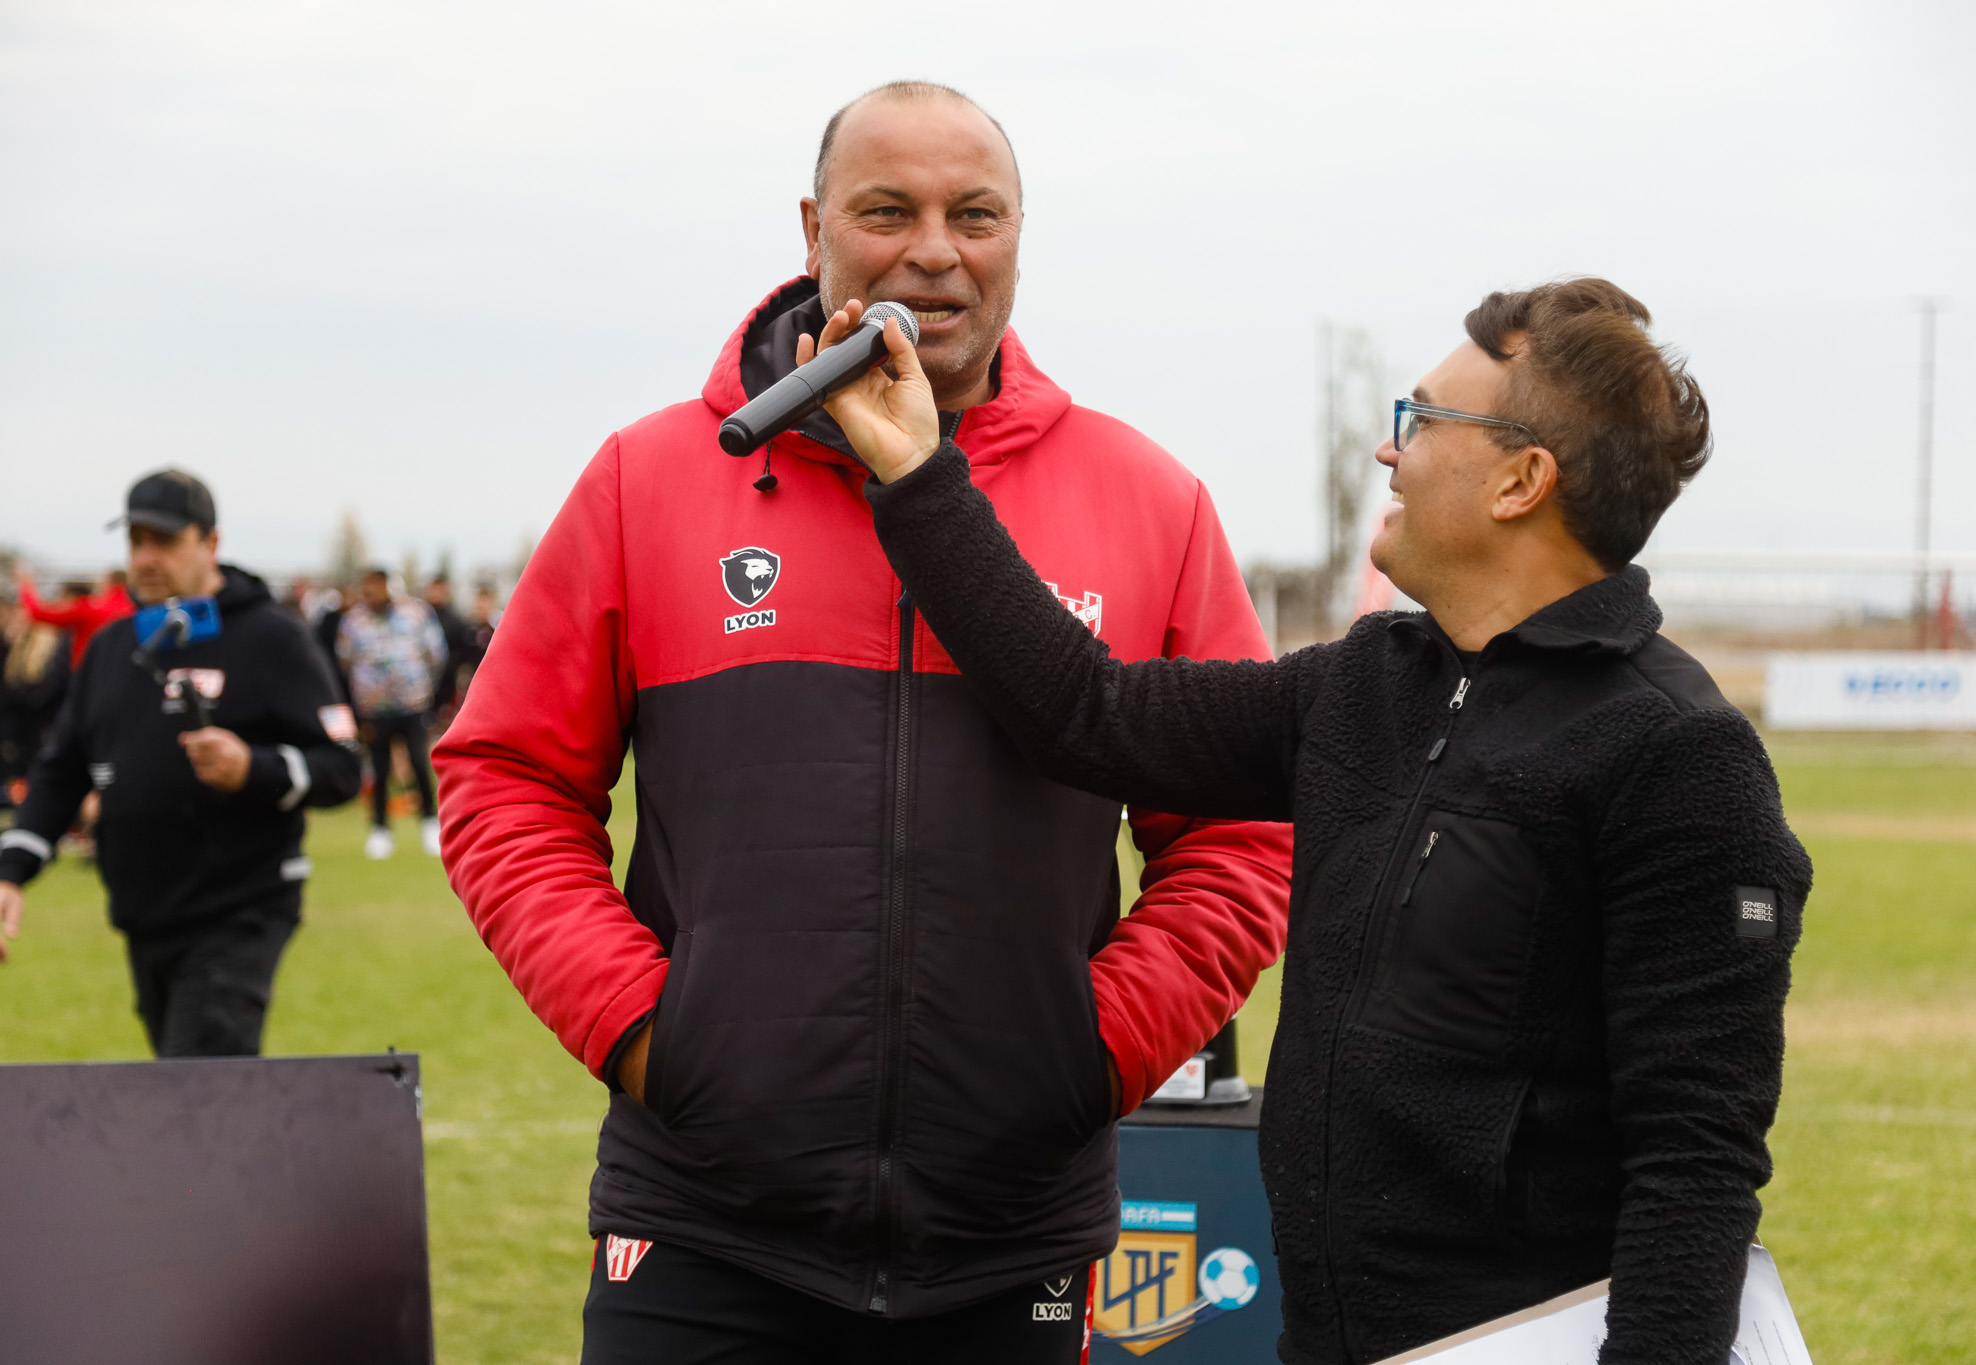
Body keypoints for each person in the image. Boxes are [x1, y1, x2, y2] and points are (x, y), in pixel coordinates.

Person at [434, 80, 1293, 1364]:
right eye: (887, 211)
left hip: (1011, 1236)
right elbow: (503, 777)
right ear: (812, 229)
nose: (935, 251)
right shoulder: (647, 477)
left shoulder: (1146, 497)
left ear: (1017, 235)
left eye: (975, 215)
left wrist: (1098, 1049)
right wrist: (647, 1032)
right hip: (705, 1227)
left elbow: (1241, 828)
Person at [819, 278, 1813, 1365]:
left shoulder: (1679, 757)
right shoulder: (1364, 684)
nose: (1389, 451)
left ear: (1521, 481)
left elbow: (1695, 1163)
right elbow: (1088, 713)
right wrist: (920, 475)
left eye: (1420, 420)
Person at [0, 469, 360, 1056]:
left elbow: (342, 767)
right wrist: (11, 869)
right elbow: (61, 769)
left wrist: (253, 768)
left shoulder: (274, 638)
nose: (145, 558)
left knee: (197, 1088)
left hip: (239, 910)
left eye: (164, 541)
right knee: (190, 1092)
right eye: (136, 541)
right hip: (143, 913)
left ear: (210, 543)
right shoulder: (113, 646)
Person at [335, 568, 447, 859]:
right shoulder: (354, 620)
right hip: (373, 709)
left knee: (419, 763)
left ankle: (429, 821)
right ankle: (380, 829)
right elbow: (344, 661)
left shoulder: (415, 613)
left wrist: (425, 688)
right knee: (379, 768)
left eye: (376, 587)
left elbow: (436, 655)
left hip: (412, 704)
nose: (371, 593)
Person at [1, 594, 70, 810]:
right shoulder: (14, 651)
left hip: (43, 736)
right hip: (19, 739)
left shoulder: (54, 649)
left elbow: (45, 694)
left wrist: (16, 695)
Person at [14, 567, 132, 670]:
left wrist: (25, 584)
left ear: (108, 582)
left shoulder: (89, 608)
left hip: (87, 674)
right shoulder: (134, 608)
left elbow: (38, 613)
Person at [421, 574, 473, 725]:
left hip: (446, 684)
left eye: (439, 590)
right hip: (422, 684)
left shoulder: (457, 623)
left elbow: (462, 654)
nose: (435, 594)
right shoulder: (420, 618)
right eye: (433, 590)